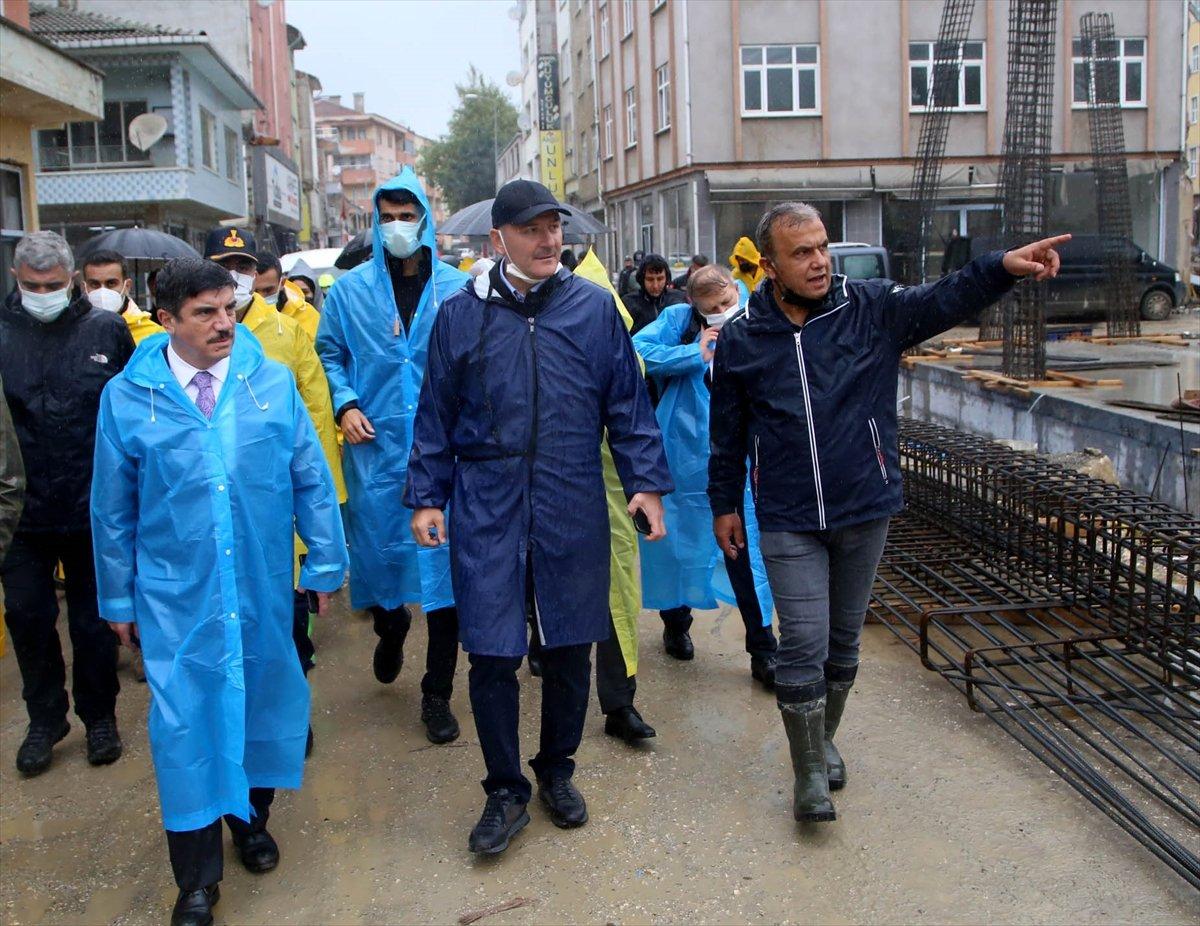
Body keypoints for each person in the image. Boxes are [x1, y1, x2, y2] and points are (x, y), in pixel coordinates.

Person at [708, 201, 1069, 825]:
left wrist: (1001, 268)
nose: (819, 260)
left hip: (864, 506)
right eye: (802, 252)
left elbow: (944, 299)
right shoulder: (743, 338)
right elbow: (728, 434)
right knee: (803, 644)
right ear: (769, 265)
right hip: (789, 513)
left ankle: (823, 740)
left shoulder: (870, 308)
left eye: (823, 246)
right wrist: (723, 505)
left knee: (844, 643)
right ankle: (810, 777)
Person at [404, 179, 673, 856]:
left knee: (568, 643)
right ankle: (504, 790)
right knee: (492, 649)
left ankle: (556, 771)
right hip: (486, 498)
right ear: (498, 241)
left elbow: (628, 404)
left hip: (569, 492)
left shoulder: (591, 309)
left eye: (554, 226)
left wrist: (644, 483)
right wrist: (429, 495)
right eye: (530, 229)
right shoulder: (459, 315)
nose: (549, 239)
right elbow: (434, 412)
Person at [91, 256, 347, 926]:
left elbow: (310, 479)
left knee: (264, 699)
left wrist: (324, 563)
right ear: (165, 318)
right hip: (177, 598)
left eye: (228, 308)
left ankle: (251, 821)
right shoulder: (129, 397)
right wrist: (117, 599)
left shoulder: (269, 382)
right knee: (185, 726)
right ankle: (197, 880)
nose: (223, 323)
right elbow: (111, 510)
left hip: (261, 583)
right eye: (204, 313)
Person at [316, 168, 470, 745]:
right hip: (376, 448)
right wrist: (346, 401)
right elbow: (329, 353)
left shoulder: (457, 289)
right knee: (381, 559)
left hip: (446, 451)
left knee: (446, 573)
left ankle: (436, 693)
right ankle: (390, 622)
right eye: (388, 217)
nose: (398, 226)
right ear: (374, 223)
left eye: (409, 216)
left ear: (426, 220)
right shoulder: (350, 291)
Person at [204, 227, 345, 755]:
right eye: (225, 268)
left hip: (270, 516)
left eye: (243, 268)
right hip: (210, 524)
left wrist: (323, 512)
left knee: (286, 630)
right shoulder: (169, 345)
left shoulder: (285, 332)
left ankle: (289, 716)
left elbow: (311, 418)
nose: (237, 279)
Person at [0, 231, 134, 776]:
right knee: (29, 618)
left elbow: (133, 411)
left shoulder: (104, 329)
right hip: (21, 514)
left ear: (72, 279)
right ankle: (45, 718)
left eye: (53, 285)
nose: (43, 293)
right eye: (33, 286)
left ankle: (100, 716)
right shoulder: (3, 333)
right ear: (16, 280)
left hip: (91, 507)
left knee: (92, 624)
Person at [633, 264, 778, 685]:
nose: (720, 312)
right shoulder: (679, 320)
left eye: (726, 303)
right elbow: (636, 351)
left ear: (736, 291)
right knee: (678, 543)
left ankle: (763, 645)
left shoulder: (757, 314)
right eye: (711, 308)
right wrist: (692, 353)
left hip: (741, 458)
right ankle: (676, 622)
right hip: (683, 451)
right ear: (695, 305)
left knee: (744, 549)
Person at [80, 248, 164, 345]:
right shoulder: (75, 331)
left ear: (127, 286)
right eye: (94, 284)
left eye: (111, 283)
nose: (103, 291)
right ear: (84, 287)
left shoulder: (154, 335)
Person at [254, 253, 320, 340]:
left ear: (282, 283)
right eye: (255, 291)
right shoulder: (239, 314)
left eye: (268, 290)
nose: (261, 297)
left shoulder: (306, 314)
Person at [623, 253, 687, 335]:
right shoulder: (628, 303)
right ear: (642, 279)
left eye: (660, 279)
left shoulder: (679, 299)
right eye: (650, 279)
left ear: (666, 278)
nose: (655, 286)